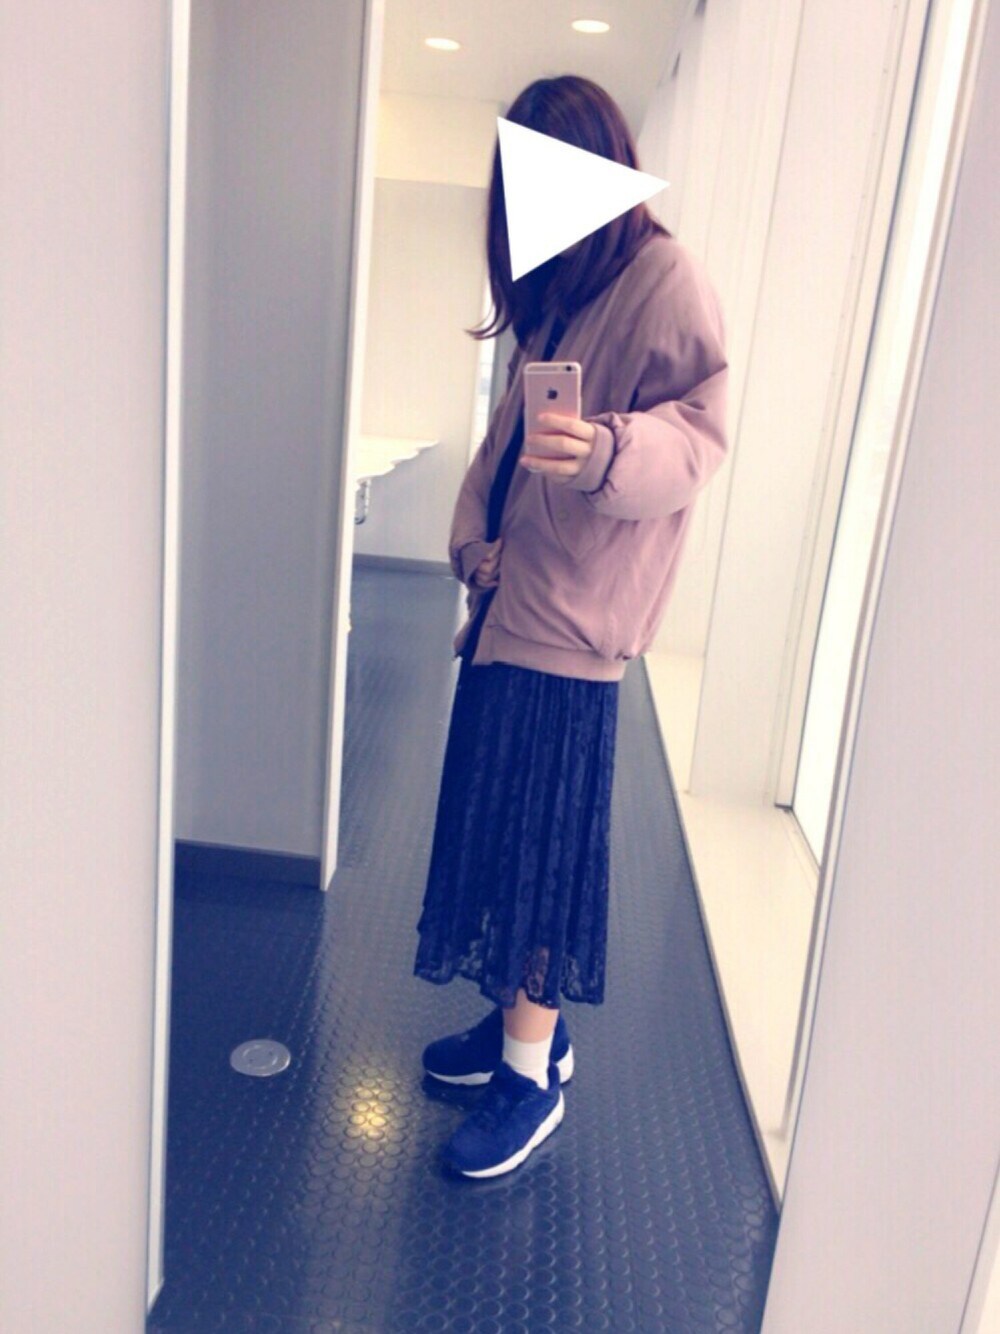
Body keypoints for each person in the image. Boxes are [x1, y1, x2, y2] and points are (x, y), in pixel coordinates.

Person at [412, 75, 729, 1179]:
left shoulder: (663, 278)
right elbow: (501, 445)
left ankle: (528, 1081)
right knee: (503, 841)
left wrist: (604, 451)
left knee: (538, 858)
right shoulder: (559, 293)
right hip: (508, 613)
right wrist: (470, 545)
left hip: (573, 629)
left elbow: (699, 436)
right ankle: (526, 1036)